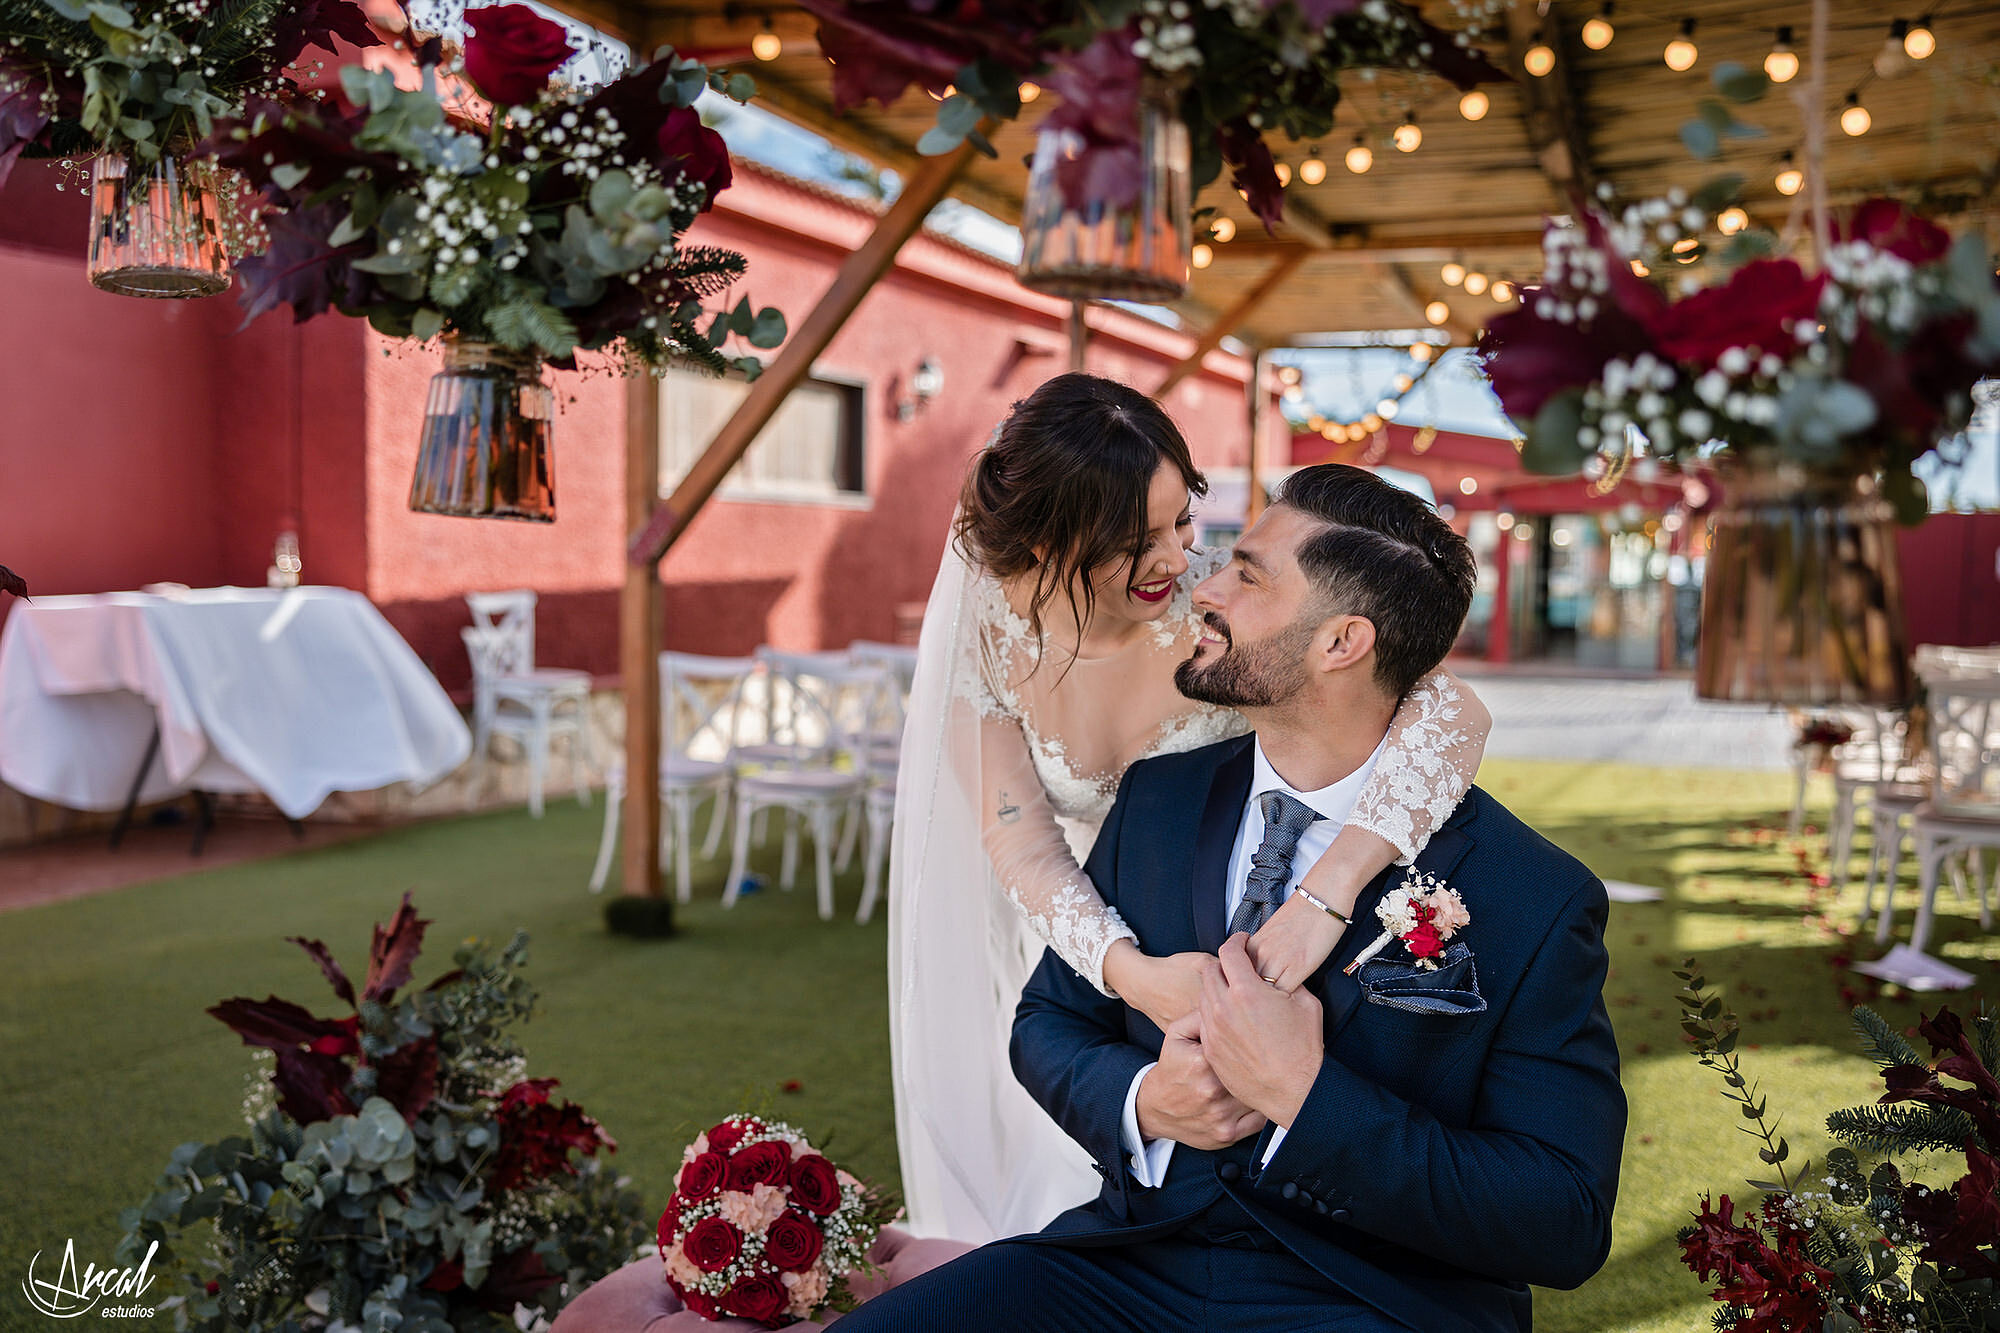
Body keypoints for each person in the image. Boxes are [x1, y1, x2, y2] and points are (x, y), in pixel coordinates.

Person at [846, 463, 1625, 1332]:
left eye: (1248, 576)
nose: (1203, 587)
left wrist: (1305, 1096)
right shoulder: (1160, 799)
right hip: (1127, 1268)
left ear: (1342, 642)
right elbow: (1048, 1021)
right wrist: (1145, 1099)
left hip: (1370, 1298)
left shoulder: (1533, 894)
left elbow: (1564, 1217)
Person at [891, 375, 1492, 1241]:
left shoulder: (1221, 603)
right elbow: (1017, 834)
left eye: (1182, 520)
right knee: (1076, 1184)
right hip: (1081, 937)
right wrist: (1128, 972)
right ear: (1053, 542)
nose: (1179, 561)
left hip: (1248, 911)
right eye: (1136, 542)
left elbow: (1453, 710)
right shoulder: (984, 631)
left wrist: (1326, 895)